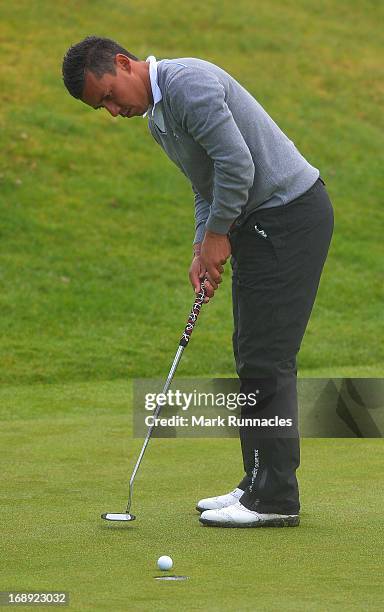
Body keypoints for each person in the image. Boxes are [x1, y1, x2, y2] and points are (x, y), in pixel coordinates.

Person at [62, 36, 334, 528]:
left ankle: (274, 498)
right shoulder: (158, 120)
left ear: (123, 64)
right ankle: (257, 482)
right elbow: (205, 185)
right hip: (259, 221)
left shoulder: (187, 86)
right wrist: (200, 248)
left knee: (266, 357)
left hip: (290, 216)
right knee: (251, 353)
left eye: (106, 95)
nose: (110, 111)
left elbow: (237, 165)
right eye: (98, 106)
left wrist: (215, 238)